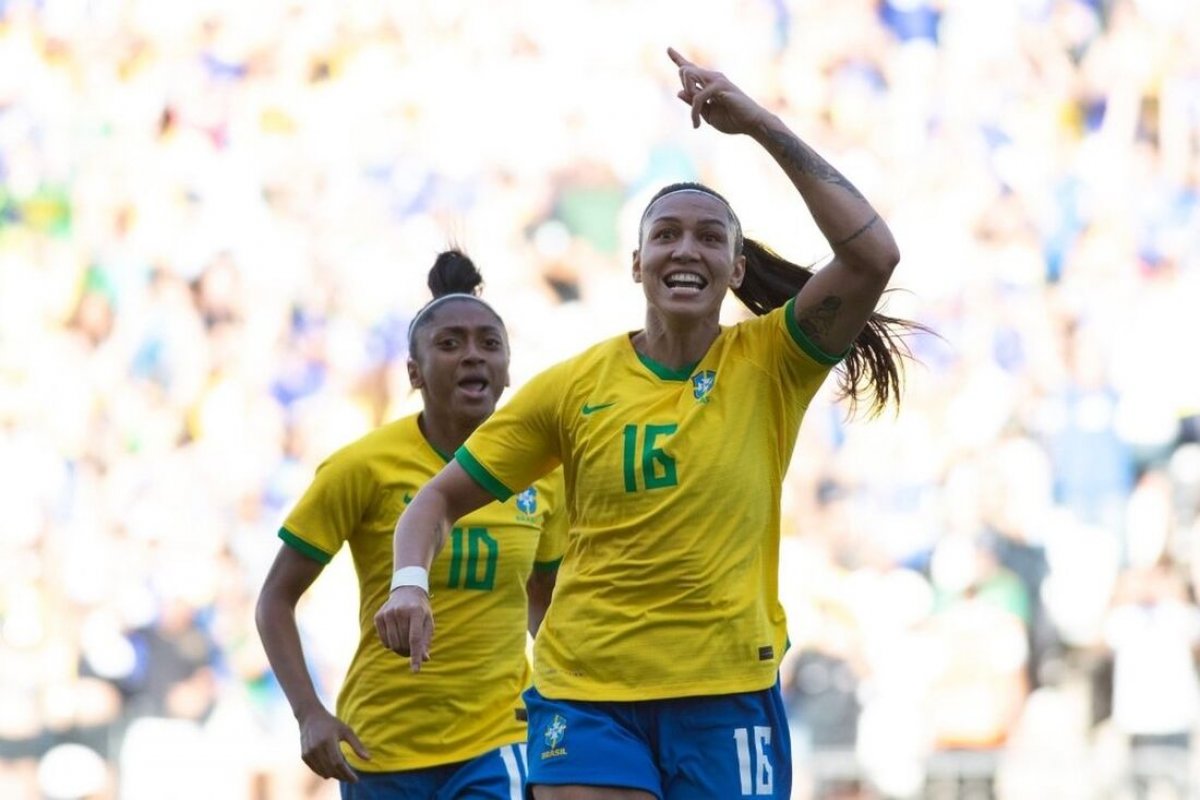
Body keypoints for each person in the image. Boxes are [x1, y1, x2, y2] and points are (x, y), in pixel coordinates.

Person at [375, 48, 925, 800]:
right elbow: (435, 500)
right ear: (637, 263)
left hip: (726, 694)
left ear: (736, 269)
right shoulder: (574, 387)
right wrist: (409, 584)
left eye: (709, 237)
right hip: (587, 696)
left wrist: (759, 125)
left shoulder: (774, 360)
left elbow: (872, 256)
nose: (685, 248)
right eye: (666, 235)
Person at [256, 249, 567, 799]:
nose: (472, 356)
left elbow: (543, 601)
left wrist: (572, 694)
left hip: (499, 739)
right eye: (450, 344)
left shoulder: (543, 472)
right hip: (382, 746)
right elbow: (275, 599)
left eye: (489, 344)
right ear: (413, 372)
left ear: (507, 368)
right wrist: (308, 713)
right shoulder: (361, 467)